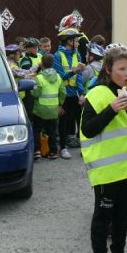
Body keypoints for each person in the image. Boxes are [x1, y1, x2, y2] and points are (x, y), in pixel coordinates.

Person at [80, 45, 127, 253]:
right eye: (122, 69)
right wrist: (111, 109)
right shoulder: (97, 94)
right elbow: (87, 130)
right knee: (103, 217)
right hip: (106, 171)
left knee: (122, 216)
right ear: (108, 69)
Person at [54, 27, 85, 158]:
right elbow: (60, 76)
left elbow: (79, 77)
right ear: (68, 41)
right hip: (63, 93)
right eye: (76, 41)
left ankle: (77, 144)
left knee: (76, 120)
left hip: (74, 94)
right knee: (63, 121)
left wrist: (81, 93)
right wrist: (74, 71)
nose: (78, 43)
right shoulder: (57, 55)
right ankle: (62, 148)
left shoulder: (76, 54)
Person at [31, 54, 66, 160]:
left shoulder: (39, 78)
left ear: (41, 64)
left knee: (37, 130)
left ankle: (37, 150)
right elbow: (63, 92)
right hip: (54, 109)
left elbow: (36, 94)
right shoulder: (58, 77)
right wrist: (60, 104)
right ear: (53, 64)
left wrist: (32, 89)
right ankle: (53, 152)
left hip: (40, 110)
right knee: (52, 131)